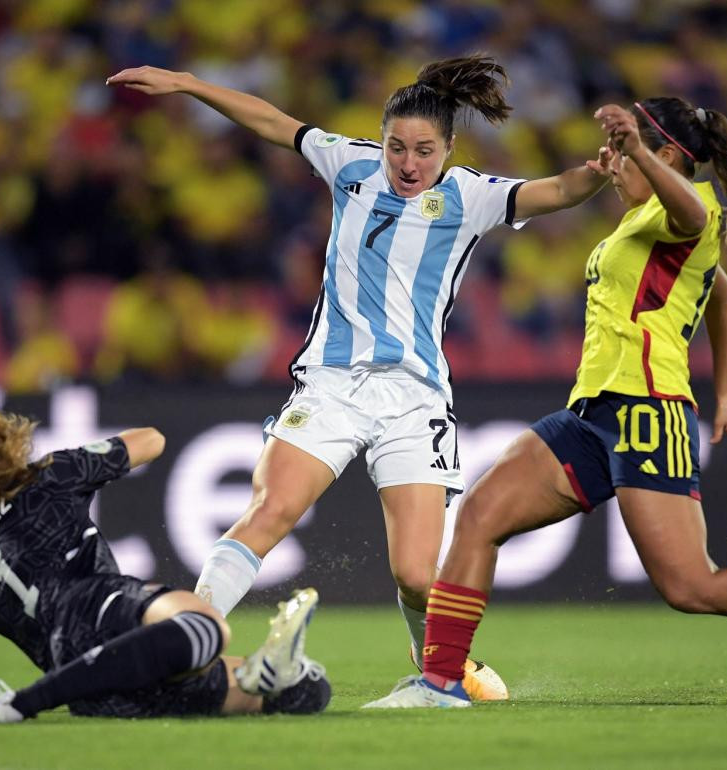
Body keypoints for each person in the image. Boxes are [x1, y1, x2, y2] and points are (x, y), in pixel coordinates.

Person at [363, 97, 727, 708]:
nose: (616, 164)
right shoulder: (642, 224)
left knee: (691, 585)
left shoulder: (690, 208)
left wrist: (640, 151)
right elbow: (723, 301)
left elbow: (695, 224)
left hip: (649, 412)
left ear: (668, 156)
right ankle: (440, 683)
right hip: (592, 414)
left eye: (627, 154)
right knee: (480, 515)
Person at [106, 55, 613, 700]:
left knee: (416, 576)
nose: (407, 164)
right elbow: (270, 120)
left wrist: (601, 174)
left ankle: (439, 669)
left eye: (424, 151)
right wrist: (186, 84)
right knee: (267, 511)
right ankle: (181, 644)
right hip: (331, 386)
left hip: (415, 399)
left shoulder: (472, 197)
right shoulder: (349, 164)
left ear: (450, 149)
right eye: (396, 147)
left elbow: (561, 191)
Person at [0, 385, 330, 723]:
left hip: (93, 692)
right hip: (101, 610)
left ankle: (266, 673)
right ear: (10, 447)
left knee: (305, 691)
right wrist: (71, 461)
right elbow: (152, 441)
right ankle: (19, 703)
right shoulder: (49, 477)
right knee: (207, 626)